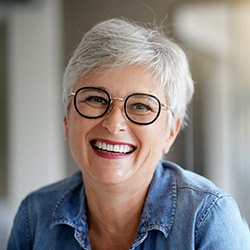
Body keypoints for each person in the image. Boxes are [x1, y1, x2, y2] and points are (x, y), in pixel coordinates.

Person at [8, 18, 250, 250]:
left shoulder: (207, 219)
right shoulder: (35, 216)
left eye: (141, 106)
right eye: (95, 98)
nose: (114, 124)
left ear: (170, 132)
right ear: (67, 120)